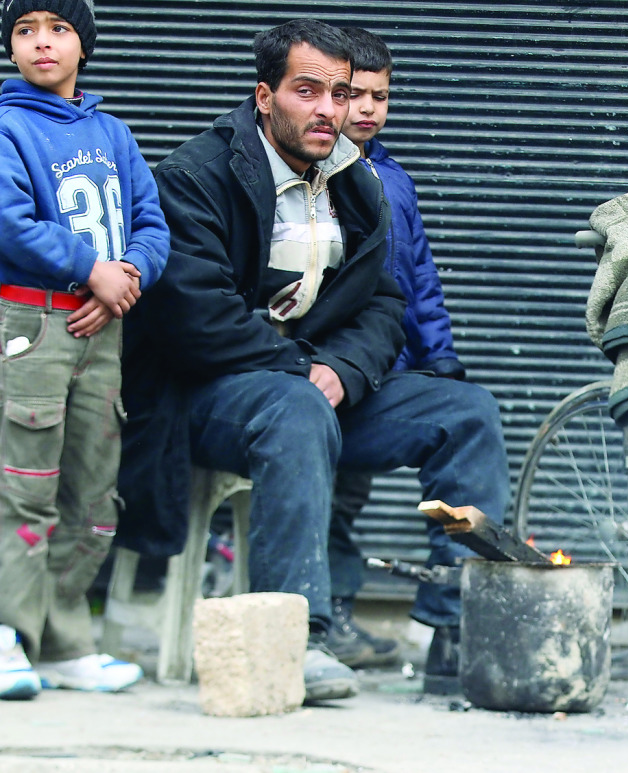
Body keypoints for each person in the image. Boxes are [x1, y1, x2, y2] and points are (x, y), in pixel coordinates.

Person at [115, 19, 507, 703]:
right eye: (308, 91)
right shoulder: (195, 176)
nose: (330, 109)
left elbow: (385, 301)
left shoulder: (354, 183)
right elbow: (195, 319)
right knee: (294, 406)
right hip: (211, 399)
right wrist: (304, 370)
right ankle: (300, 635)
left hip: (316, 392)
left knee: (464, 411)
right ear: (264, 96)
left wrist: (347, 371)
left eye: (340, 92)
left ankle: (455, 625)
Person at [324, 27, 508, 687]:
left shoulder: (394, 179)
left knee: (467, 420)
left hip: (389, 376)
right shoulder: (307, 175)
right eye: (353, 95)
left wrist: (444, 361)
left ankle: (447, 621)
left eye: (379, 95)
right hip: (324, 378)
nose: (367, 108)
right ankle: (330, 615)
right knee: (333, 499)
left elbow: (420, 284)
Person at [0, 0, 169, 700]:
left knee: (93, 489)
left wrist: (126, 277)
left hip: (102, 330)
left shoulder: (113, 131)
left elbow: (153, 224)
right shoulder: (6, 124)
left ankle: (67, 639)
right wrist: (85, 265)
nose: (42, 43)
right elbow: (7, 220)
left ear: (84, 46)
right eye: (24, 30)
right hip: (30, 324)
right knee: (22, 484)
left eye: (59, 29)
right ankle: (8, 634)